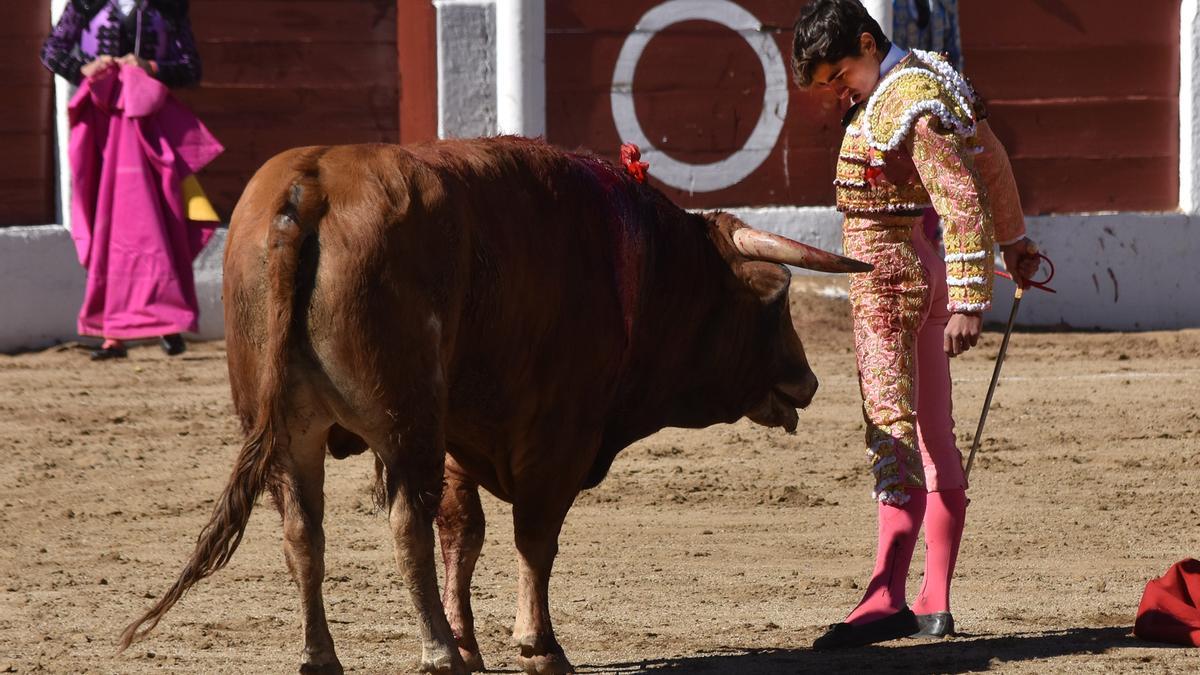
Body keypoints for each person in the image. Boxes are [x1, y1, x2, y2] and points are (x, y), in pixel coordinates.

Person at [790, 0, 1040, 649]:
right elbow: (990, 160)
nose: (836, 93)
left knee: (890, 424)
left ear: (869, 44)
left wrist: (969, 299)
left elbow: (957, 197)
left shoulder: (907, 104)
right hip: (916, 266)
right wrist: (1013, 241)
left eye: (839, 74)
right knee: (933, 429)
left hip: (886, 277)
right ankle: (935, 596)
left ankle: (886, 595)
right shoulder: (930, 77)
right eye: (826, 85)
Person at [41, 0, 215, 360]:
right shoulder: (86, 3)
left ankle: (167, 323)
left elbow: (190, 67)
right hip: (102, 129)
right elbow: (52, 50)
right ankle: (113, 333)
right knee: (109, 225)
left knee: (160, 221)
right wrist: (85, 67)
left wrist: (149, 67)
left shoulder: (169, 6)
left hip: (151, 125)